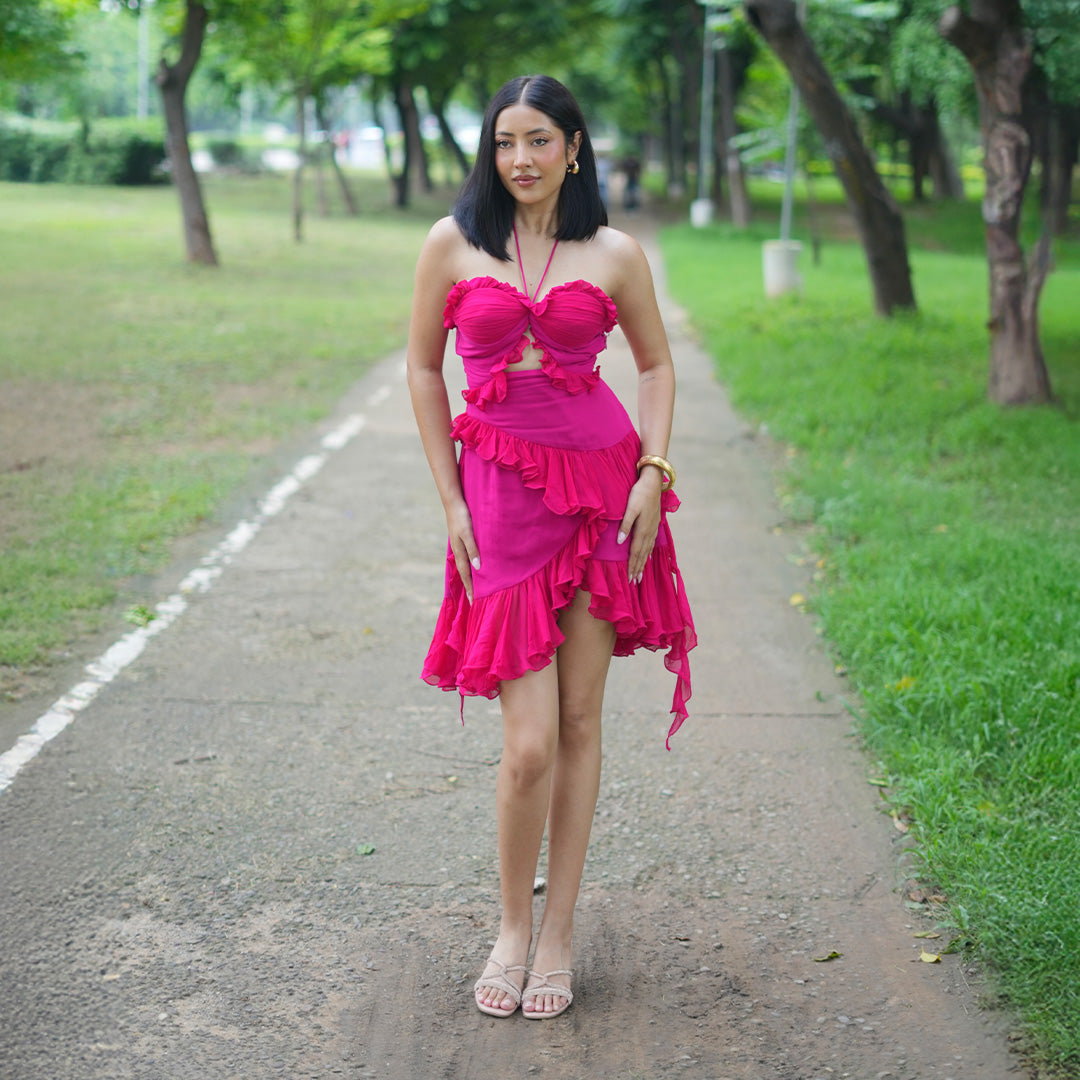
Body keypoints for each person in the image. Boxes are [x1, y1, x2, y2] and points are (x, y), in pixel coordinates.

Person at [406, 74, 696, 1020]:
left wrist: (654, 470)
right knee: (527, 746)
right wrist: (448, 499)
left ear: (574, 146)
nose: (520, 160)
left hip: (601, 494)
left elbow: (655, 366)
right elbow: (421, 367)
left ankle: (558, 931)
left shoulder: (614, 252)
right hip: (496, 500)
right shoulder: (454, 243)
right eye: (504, 143)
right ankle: (511, 926)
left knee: (578, 724)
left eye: (538, 140)